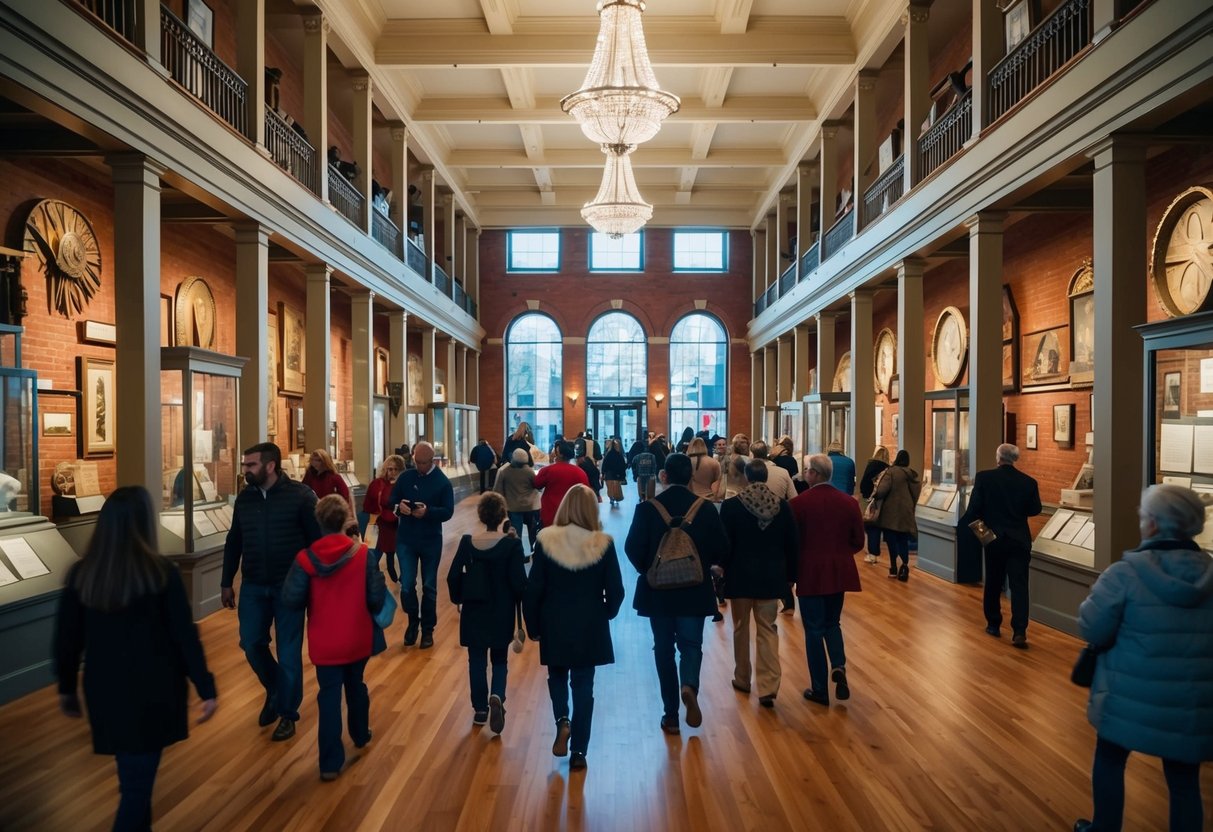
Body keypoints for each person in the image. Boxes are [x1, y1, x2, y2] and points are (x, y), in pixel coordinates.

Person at [54, 486, 217, 831]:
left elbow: (67, 641)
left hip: (105, 691)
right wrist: (205, 687)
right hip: (153, 691)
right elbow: (184, 637)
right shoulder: (160, 573)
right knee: (136, 788)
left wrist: (67, 688)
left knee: (134, 782)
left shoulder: (83, 575)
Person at [1072, 484, 1213, 832]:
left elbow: (1091, 628)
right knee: (1184, 782)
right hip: (1192, 700)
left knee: (1109, 762)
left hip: (1128, 693)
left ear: (1152, 524)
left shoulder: (1125, 573)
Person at [281, 496, 387, 781]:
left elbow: (290, 599)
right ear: (345, 521)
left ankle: (329, 762)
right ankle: (360, 733)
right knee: (356, 685)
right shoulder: (363, 555)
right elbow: (377, 599)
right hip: (357, 635)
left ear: (319, 522)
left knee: (328, 697)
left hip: (324, 639)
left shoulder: (305, 559)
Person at [222, 442, 321, 742]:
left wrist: (316, 583)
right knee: (251, 643)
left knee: (289, 652)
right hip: (253, 584)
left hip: (289, 586)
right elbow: (234, 541)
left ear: (270, 466)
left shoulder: (301, 497)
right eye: (244, 465)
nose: (245, 470)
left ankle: (288, 714)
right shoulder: (245, 499)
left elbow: (316, 543)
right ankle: (276, 689)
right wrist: (227, 581)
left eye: (250, 465)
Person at [625, 453, 728, 734]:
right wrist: (705, 564)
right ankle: (689, 685)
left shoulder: (647, 509)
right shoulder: (705, 509)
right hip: (694, 590)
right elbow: (722, 548)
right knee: (691, 645)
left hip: (657, 593)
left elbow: (632, 547)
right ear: (691, 477)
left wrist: (649, 569)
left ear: (664, 477)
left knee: (663, 649)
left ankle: (670, 714)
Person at [524, 485, 625, 772]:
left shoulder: (545, 540)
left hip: (553, 619)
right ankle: (579, 751)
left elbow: (534, 589)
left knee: (557, 676)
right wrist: (605, 613)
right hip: (589, 621)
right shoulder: (602, 543)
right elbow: (616, 590)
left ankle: (561, 721)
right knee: (584, 685)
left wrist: (533, 625)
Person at [718, 461, 798, 707]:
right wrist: (790, 578)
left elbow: (724, 545)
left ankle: (742, 677)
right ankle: (768, 686)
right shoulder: (782, 507)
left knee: (741, 629)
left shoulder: (731, 507)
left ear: (745, 478)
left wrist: (720, 572)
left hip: (739, 577)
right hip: (770, 577)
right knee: (768, 630)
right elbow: (792, 544)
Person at [447, 493, 528, 733]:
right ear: (503, 515)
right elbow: (519, 582)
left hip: (474, 607)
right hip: (501, 608)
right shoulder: (511, 545)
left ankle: (480, 709)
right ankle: (497, 695)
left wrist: (459, 598)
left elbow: (452, 576)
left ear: (481, 515)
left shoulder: (467, 542)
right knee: (500, 659)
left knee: (477, 660)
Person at [788, 454, 864, 706]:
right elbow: (858, 542)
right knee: (833, 623)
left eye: (807, 470)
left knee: (813, 629)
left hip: (810, 571)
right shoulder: (848, 503)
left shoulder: (799, 504)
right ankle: (839, 665)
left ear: (814, 474)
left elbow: (793, 543)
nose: (804, 474)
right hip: (839, 569)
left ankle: (819, 689)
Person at [958, 443, 1042, 647]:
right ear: (1015, 459)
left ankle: (993, 623)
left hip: (994, 539)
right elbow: (1035, 510)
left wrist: (978, 533)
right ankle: (1020, 630)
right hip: (1019, 540)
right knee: (1019, 585)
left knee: (993, 582)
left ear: (998, 458)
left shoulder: (985, 478)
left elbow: (974, 510)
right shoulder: (1029, 482)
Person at [388, 440, 454, 649]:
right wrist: (400, 508)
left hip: (430, 540)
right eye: (416, 462)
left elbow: (448, 511)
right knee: (407, 585)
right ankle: (412, 621)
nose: (419, 466)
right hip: (406, 538)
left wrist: (428, 512)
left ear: (432, 460)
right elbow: (392, 500)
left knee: (429, 586)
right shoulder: (406, 477)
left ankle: (427, 629)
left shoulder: (442, 482)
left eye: (423, 463)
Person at [874, 449, 922, 582]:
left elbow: (882, 490)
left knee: (891, 540)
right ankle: (905, 565)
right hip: (906, 511)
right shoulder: (912, 475)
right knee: (902, 539)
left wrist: (875, 495)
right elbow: (916, 492)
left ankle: (894, 567)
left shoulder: (892, 472)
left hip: (891, 511)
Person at [362, 454, 403, 582]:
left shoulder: (402, 485)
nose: (393, 472)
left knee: (399, 556)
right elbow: (367, 506)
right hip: (375, 524)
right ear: (385, 469)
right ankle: (373, 585)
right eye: (390, 469)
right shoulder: (376, 484)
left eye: (396, 469)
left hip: (395, 525)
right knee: (370, 559)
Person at [494, 448, 540, 555]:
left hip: (513, 507)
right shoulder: (529, 471)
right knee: (533, 532)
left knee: (516, 534)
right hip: (531, 507)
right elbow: (537, 485)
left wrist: (501, 507)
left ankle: (518, 554)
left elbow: (497, 491)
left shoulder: (504, 471)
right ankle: (534, 553)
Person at [534, 440, 590, 528]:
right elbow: (586, 493)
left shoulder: (547, 471)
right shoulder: (580, 472)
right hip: (573, 516)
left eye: (553, 449)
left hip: (551, 514)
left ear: (558, 453)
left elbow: (537, 484)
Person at [859, 446, 891, 565]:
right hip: (883, 501)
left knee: (871, 527)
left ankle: (872, 554)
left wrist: (867, 495)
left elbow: (863, 484)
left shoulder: (871, 465)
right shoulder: (888, 469)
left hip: (870, 500)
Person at [686, 436, 722, 501]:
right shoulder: (714, 462)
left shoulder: (685, 462)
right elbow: (717, 483)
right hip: (709, 498)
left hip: (689, 498)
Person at [601, 438, 628, 508]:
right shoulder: (620, 455)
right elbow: (623, 466)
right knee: (616, 487)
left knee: (609, 487)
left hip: (609, 473)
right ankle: (615, 498)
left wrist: (603, 473)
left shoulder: (608, 454)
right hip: (616, 474)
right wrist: (623, 475)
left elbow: (604, 464)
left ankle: (611, 498)